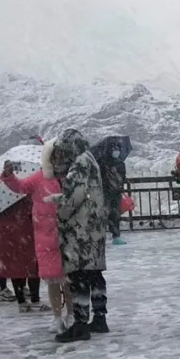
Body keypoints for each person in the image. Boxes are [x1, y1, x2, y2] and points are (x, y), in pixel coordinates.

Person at [1, 147, 71, 334]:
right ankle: (58, 316)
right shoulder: (40, 178)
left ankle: (71, 315)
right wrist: (9, 176)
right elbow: (21, 187)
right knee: (53, 280)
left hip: (69, 235)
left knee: (69, 280)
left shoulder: (70, 177)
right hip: (47, 237)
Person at [49, 129, 109, 342]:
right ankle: (100, 317)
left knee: (80, 276)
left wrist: (61, 209)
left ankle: (80, 324)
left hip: (80, 230)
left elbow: (74, 197)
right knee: (94, 273)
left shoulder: (79, 163)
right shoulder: (90, 158)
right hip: (94, 226)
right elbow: (88, 192)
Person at [0, 190, 41, 312]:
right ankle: (35, 299)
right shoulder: (24, 191)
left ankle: (21, 301)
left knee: (15, 267)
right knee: (32, 266)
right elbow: (32, 211)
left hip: (7, 233)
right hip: (26, 232)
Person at [92, 136, 130, 246]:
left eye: (118, 149)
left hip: (116, 193)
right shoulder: (102, 163)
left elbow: (122, 176)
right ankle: (100, 235)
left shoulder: (120, 163)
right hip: (105, 193)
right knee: (103, 215)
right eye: (114, 149)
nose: (116, 152)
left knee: (115, 215)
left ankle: (116, 235)